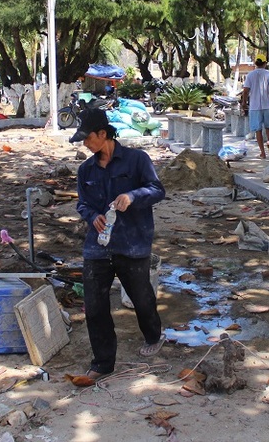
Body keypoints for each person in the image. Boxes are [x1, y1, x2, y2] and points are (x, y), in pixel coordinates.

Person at [72, 108, 166, 380]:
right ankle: (103, 362)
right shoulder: (85, 169)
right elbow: (82, 204)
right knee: (95, 305)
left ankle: (153, 335)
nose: (85, 144)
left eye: (88, 138)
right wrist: (93, 217)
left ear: (103, 134)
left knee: (142, 298)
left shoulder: (137, 160)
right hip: (97, 246)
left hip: (132, 243)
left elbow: (157, 190)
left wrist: (133, 196)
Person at [240, 57, 269, 159]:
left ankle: (262, 153)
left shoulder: (250, 75)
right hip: (267, 105)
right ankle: (268, 140)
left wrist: (244, 102)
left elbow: (246, 90)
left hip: (254, 106)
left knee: (258, 129)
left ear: (256, 63)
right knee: (268, 126)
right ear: (265, 63)